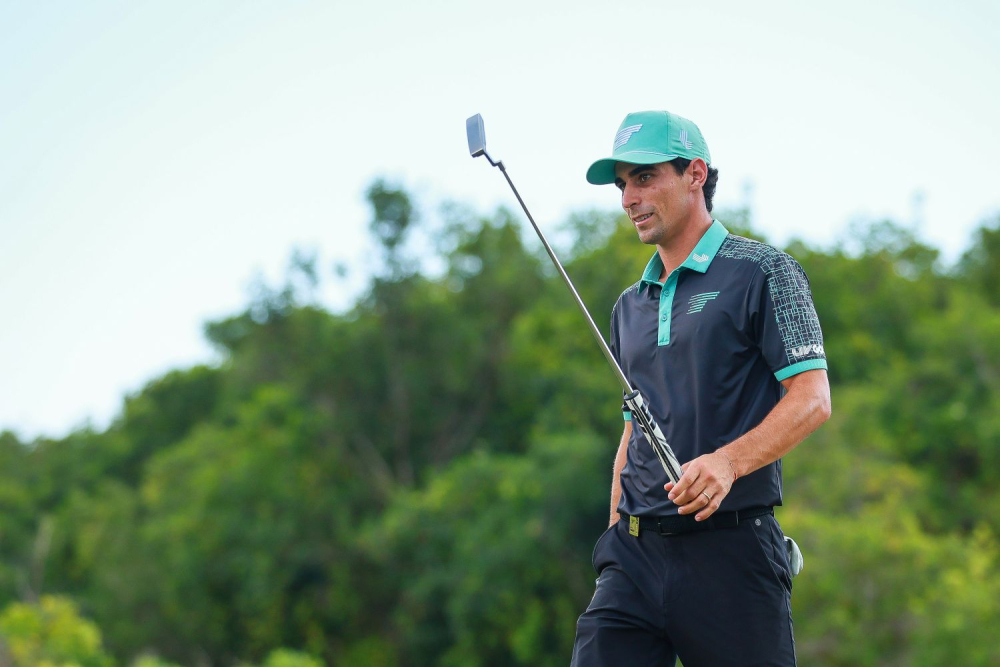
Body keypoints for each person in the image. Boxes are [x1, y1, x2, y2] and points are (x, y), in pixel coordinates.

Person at [570, 110, 832, 667]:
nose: (628, 198)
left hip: (731, 553)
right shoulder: (627, 306)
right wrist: (615, 534)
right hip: (634, 559)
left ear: (694, 174)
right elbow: (632, 434)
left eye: (644, 178)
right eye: (622, 185)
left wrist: (727, 464)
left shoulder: (765, 272)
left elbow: (812, 399)